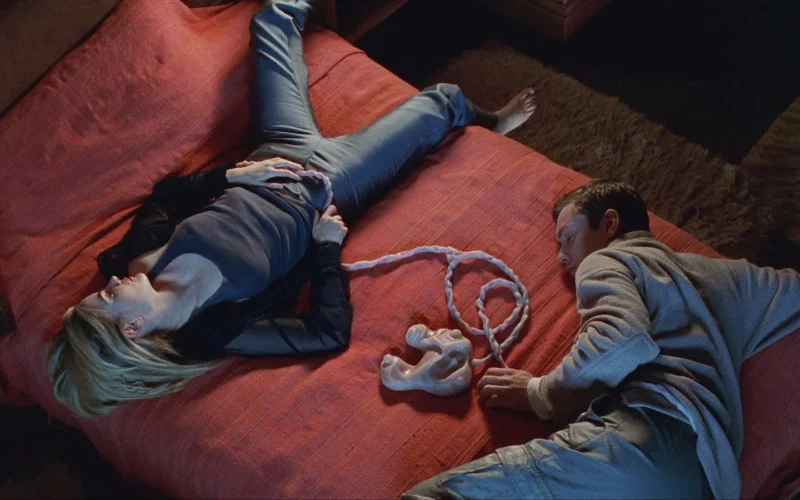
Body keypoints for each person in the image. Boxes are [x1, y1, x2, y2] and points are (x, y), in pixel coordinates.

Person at [45, 0, 537, 419]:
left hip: (273, 151)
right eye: (107, 297)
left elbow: (167, 197)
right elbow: (326, 333)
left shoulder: (138, 260)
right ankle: (491, 123)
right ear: (133, 328)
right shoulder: (216, 329)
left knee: (272, 18)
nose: (110, 283)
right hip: (333, 180)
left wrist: (234, 176)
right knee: (442, 101)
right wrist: (325, 248)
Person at [403, 179, 800, 500]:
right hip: (709, 477)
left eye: (568, 238)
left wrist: (541, 394)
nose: (561, 256)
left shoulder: (608, 259)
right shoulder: (725, 275)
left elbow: (623, 339)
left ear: (609, 223)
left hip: (645, 444)